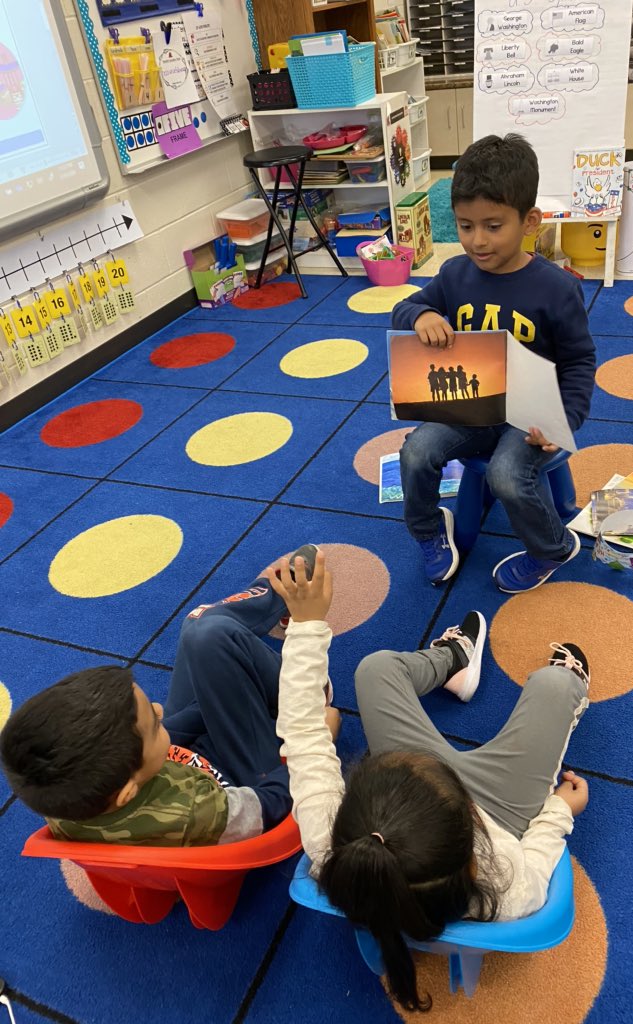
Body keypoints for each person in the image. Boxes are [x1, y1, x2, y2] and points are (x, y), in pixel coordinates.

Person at [270, 550, 590, 1013]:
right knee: (556, 687)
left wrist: (305, 626)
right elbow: (537, 859)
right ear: (473, 862)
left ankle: (455, 660)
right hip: (499, 810)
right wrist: (561, 807)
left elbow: (301, 730)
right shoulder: (504, 884)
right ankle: (565, 685)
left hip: (431, 810)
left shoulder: (330, 842)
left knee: (375, 669)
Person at [0, 546, 340, 847]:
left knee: (200, 629)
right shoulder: (200, 814)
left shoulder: (65, 796)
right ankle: (304, 672)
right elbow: (274, 802)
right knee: (208, 634)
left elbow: (163, 737)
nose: (159, 709)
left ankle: (274, 602)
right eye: (151, 722)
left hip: (186, 756)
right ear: (127, 792)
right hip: (251, 775)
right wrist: (314, 735)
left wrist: (211, 699)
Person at [391, 134, 596, 592]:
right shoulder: (454, 274)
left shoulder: (557, 289)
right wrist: (422, 314)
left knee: (506, 474)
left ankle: (553, 548)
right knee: (416, 451)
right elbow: (405, 307)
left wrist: (564, 420)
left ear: (530, 222)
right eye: (465, 226)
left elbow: (580, 361)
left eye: (492, 226)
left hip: (530, 417)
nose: (477, 241)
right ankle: (428, 530)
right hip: (472, 406)